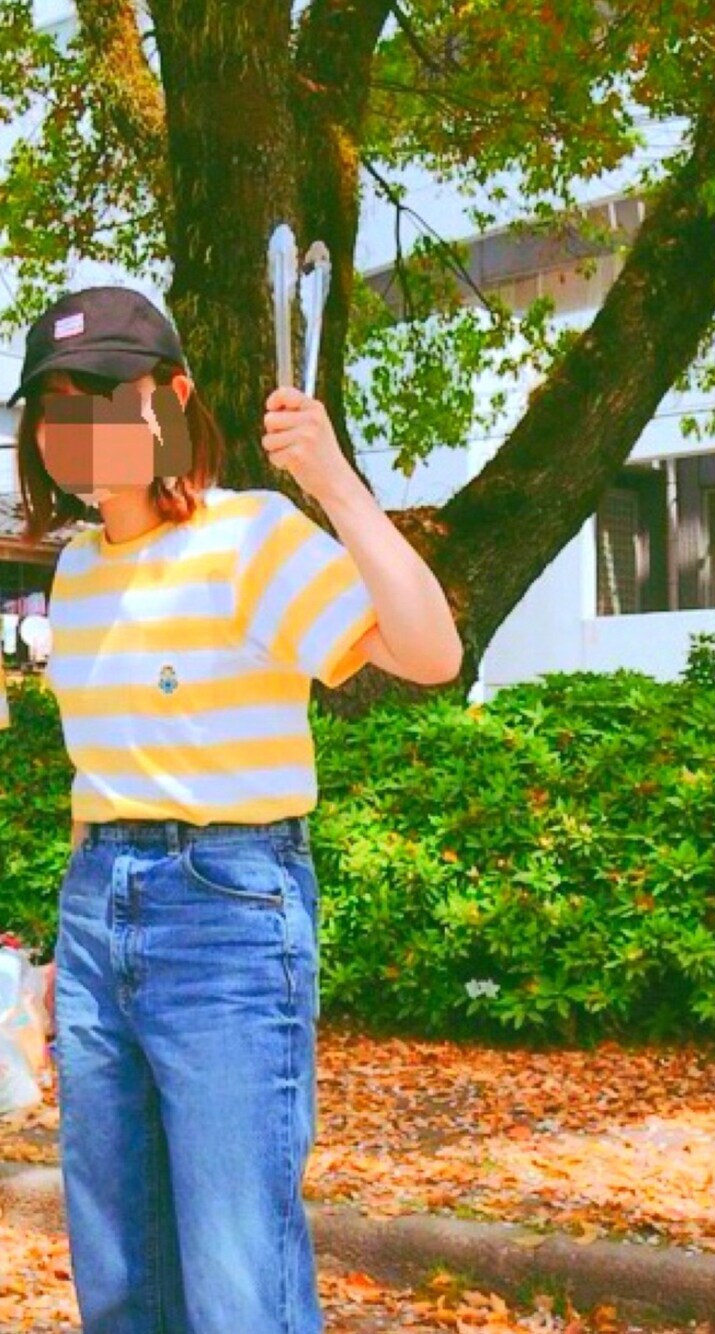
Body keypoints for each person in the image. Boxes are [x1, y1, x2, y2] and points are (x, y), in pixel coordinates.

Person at [10, 284, 463, 1333]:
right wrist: (66, 951)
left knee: (235, 1278)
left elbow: (432, 652)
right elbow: (102, 772)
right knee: (119, 1273)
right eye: (56, 404)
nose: (78, 426)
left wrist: (335, 482)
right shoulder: (75, 572)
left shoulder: (253, 534)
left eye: (104, 394)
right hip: (98, 906)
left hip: (227, 908)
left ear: (172, 399)